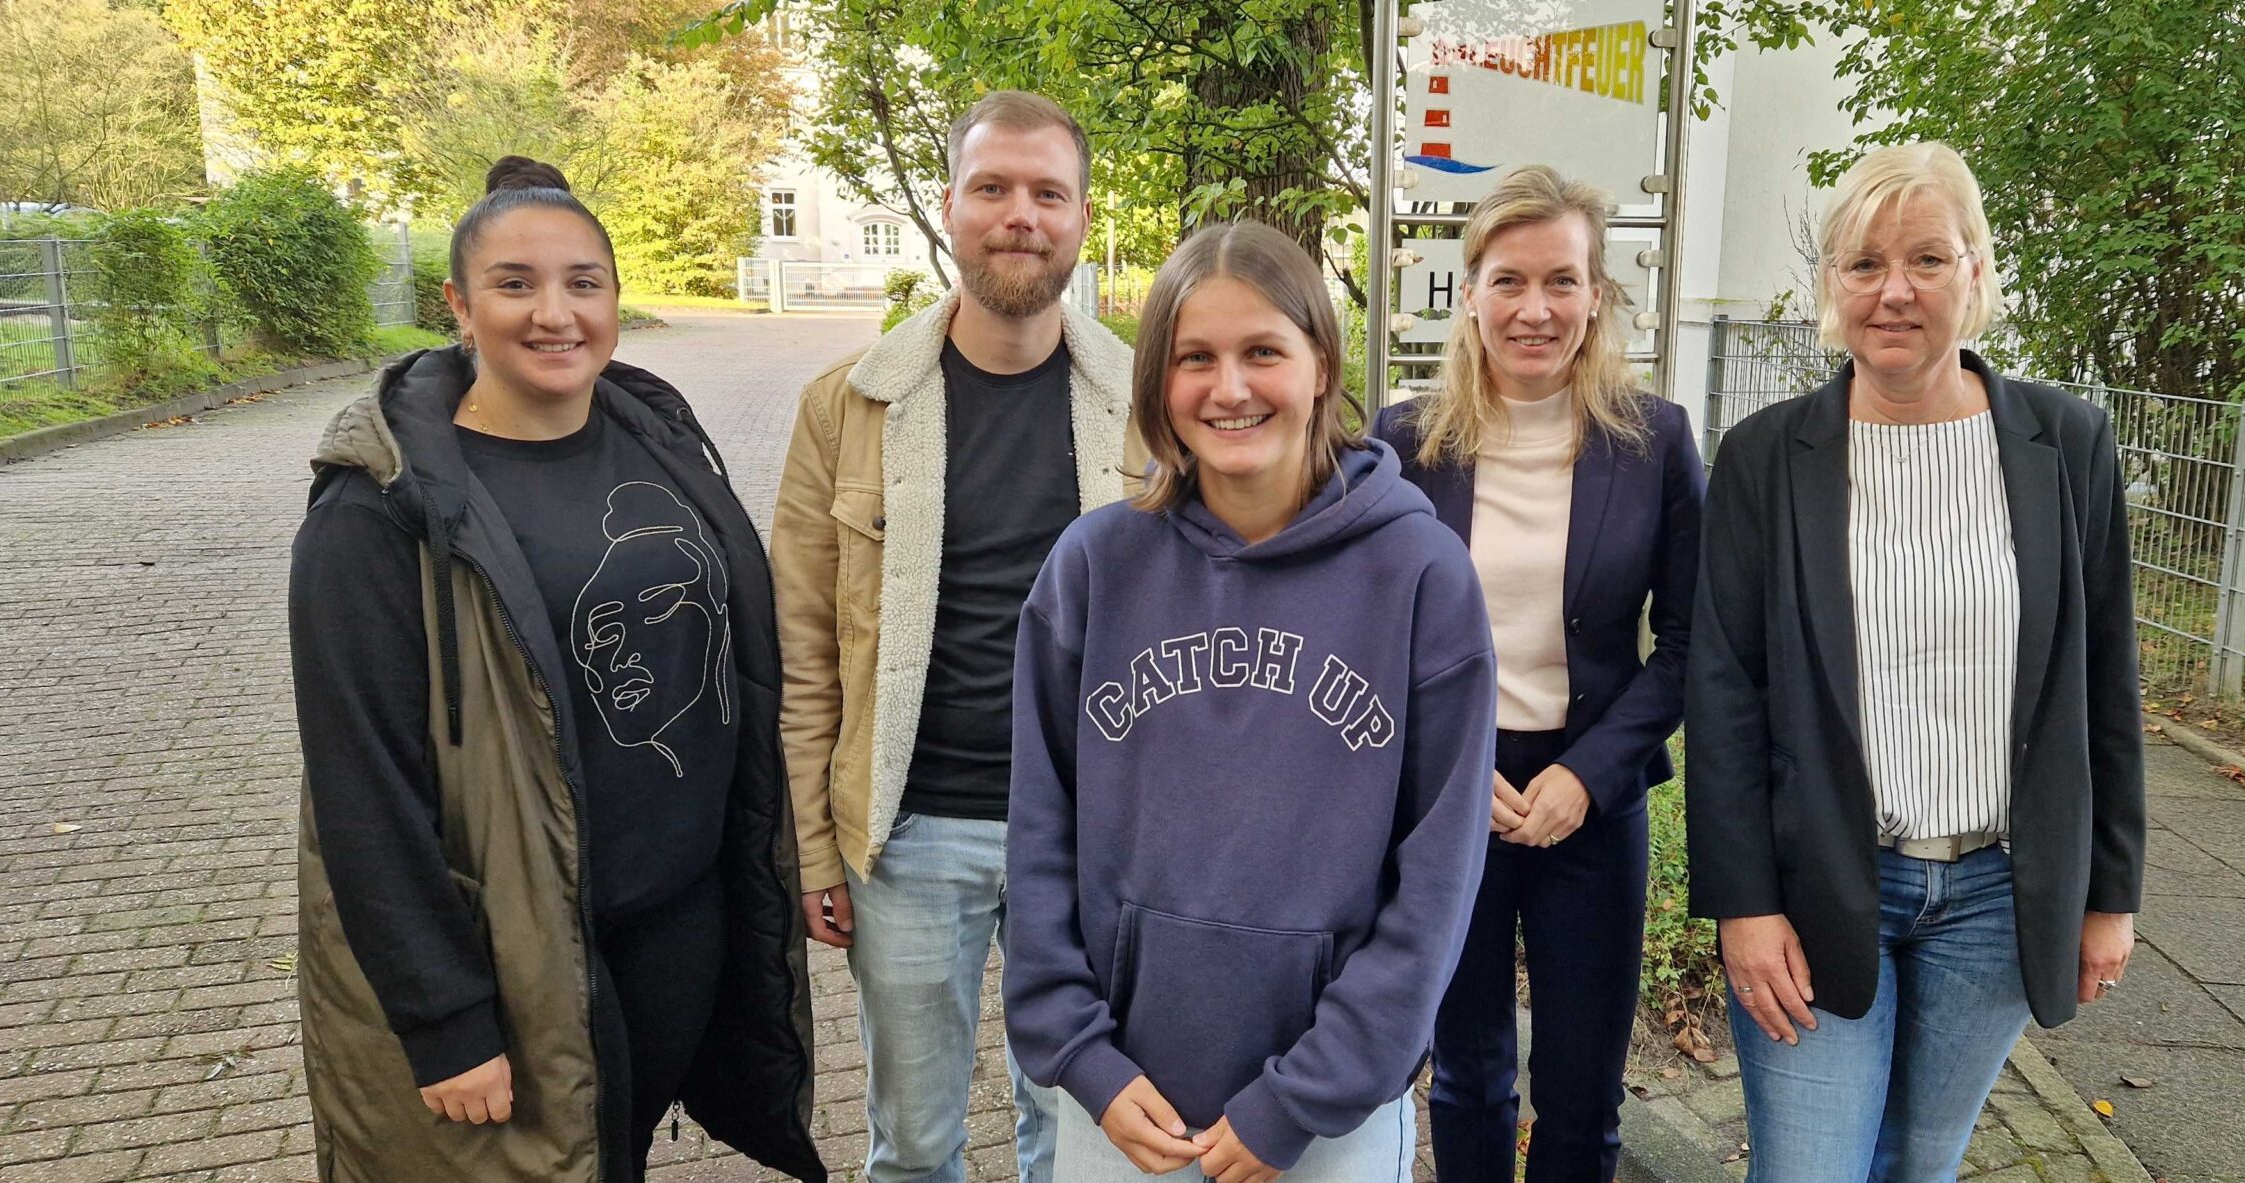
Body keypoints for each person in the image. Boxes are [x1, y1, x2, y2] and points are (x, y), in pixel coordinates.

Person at [287, 157, 829, 1183]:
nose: (554, 314)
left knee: (613, 1153)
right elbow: (362, 791)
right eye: (514, 283)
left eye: (584, 283)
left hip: (680, 911)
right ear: (456, 303)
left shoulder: (656, 444)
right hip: (520, 948)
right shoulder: (377, 514)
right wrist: (443, 1015)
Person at [1686, 140, 2144, 1182]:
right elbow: (1724, 694)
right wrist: (1743, 907)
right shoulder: (1766, 458)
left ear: (1976, 275)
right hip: (1815, 884)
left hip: (1999, 888)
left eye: (1927, 260)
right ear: (1830, 287)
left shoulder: (2066, 446)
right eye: (1862, 263)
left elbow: (2105, 679)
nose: (1893, 290)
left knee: (1917, 1164)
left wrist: (2108, 892)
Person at [1003, 220, 1499, 1183]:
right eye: (1196, 358)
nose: (1229, 388)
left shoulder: (1420, 573)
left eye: (1262, 351)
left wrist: (1307, 1092)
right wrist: (1081, 1054)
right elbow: (1038, 836)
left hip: (1328, 1116)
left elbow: (1438, 877)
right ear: (1159, 384)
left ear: (1320, 361)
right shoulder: (1094, 569)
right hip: (1123, 1105)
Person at [771, 90, 1146, 1183]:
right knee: (915, 1146)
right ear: (948, 206)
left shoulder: (1144, 403)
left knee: (1071, 1129)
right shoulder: (849, 405)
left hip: (1086, 835)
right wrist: (809, 844)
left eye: (1046, 192)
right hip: (907, 834)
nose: (1017, 215)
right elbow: (804, 648)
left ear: (1080, 216)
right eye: (992, 188)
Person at [1370, 164, 1704, 1183]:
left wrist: (1587, 777)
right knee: (1466, 1076)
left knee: (1582, 1095)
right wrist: (1448, 774)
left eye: (1561, 281)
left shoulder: (1652, 443)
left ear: (1596, 296)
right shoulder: (1404, 443)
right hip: (1450, 797)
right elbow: (1373, 646)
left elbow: (1689, 646)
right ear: (1468, 292)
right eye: (1509, 281)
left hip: (1588, 801)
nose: (1534, 308)